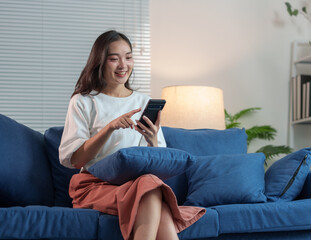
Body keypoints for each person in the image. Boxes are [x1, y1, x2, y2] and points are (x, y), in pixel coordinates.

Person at [58, 30, 205, 240]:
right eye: (113, 59)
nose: (123, 65)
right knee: (153, 193)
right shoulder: (84, 101)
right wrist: (110, 127)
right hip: (94, 186)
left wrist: (153, 140)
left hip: (138, 184)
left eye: (128, 57)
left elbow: (158, 164)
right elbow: (74, 160)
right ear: (100, 62)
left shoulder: (143, 102)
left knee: (151, 186)